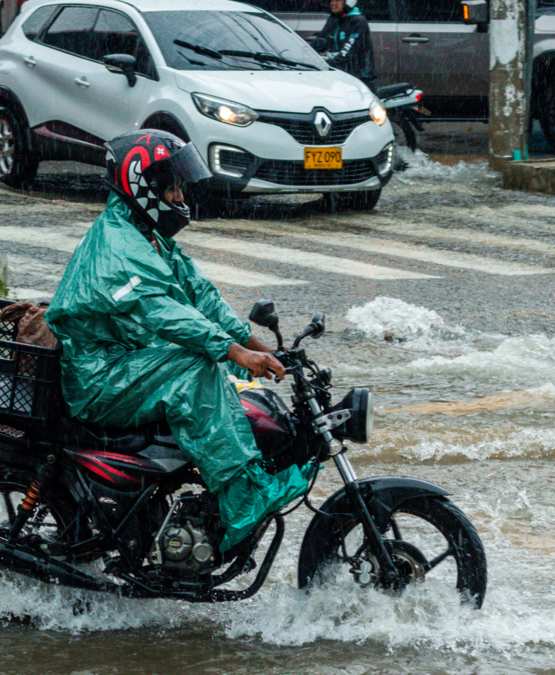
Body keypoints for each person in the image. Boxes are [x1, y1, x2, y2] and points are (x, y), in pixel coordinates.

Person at [44, 131, 313, 554]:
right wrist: (234, 352)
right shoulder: (119, 245)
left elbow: (200, 296)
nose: (179, 195)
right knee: (198, 364)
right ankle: (242, 497)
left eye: (180, 186)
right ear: (141, 187)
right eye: (170, 186)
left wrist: (258, 348)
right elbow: (165, 312)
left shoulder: (147, 234)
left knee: (222, 364)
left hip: (127, 363)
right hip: (97, 376)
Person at [312, 0, 376, 89]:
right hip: (340, 77)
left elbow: (347, 52)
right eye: (331, 1)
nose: (333, 4)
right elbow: (322, 41)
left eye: (337, 0)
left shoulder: (358, 21)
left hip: (359, 80)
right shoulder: (333, 19)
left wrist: (327, 63)